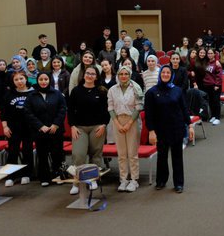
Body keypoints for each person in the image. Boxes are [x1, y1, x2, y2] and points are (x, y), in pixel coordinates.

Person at [145, 64, 193, 193]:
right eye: (163, 72)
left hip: (176, 128)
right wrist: (151, 131)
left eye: (168, 73)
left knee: (177, 157)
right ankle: (161, 181)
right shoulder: (151, 92)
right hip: (160, 130)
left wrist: (190, 125)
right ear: (160, 74)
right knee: (162, 157)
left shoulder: (177, 90)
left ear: (171, 75)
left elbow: (184, 109)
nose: (165, 74)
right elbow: (149, 114)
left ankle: (179, 183)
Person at [67, 66, 110, 195]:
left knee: (95, 154)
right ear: (84, 75)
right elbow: (70, 110)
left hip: (97, 127)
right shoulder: (76, 91)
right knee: (78, 154)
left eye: (93, 74)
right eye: (88, 73)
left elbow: (107, 110)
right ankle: (76, 182)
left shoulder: (102, 91)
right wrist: (72, 126)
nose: (90, 76)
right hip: (79, 128)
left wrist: (104, 125)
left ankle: (92, 179)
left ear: (96, 77)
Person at [23, 72, 66, 187]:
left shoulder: (57, 94)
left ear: (49, 80)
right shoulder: (31, 95)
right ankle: (44, 177)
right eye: (41, 79)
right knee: (42, 154)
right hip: (40, 131)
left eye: (46, 79)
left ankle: (58, 175)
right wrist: (40, 126)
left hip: (55, 130)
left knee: (57, 154)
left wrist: (55, 124)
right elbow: (28, 113)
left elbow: (62, 109)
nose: (43, 82)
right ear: (37, 81)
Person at [108, 65, 144, 192]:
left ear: (130, 75)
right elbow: (110, 107)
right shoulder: (112, 89)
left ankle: (134, 180)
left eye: (126, 74)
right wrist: (117, 124)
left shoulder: (136, 88)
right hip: (117, 121)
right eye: (121, 74)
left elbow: (139, 107)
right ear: (118, 76)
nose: (123, 76)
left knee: (132, 153)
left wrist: (129, 123)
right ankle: (123, 179)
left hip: (132, 121)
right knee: (121, 154)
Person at [1, 71, 35, 187]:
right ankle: (11, 176)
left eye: (21, 79)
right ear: (13, 82)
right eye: (16, 79)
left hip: (29, 127)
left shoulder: (33, 93)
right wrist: (5, 127)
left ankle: (27, 174)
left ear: (26, 79)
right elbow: (4, 112)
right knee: (12, 151)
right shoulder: (9, 94)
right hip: (13, 128)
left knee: (27, 151)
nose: (19, 81)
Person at [201, 48, 223, 125]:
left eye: (211, 53)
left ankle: (217, 117)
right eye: (208, 53)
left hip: (215, 86)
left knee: (216, 101)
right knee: (210, 101)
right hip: (207, 85)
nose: (209, 55)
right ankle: (213, 115)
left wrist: (217, 85)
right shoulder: (206, 62)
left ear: (214, 54)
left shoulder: (217, 64)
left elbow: (219, 75)